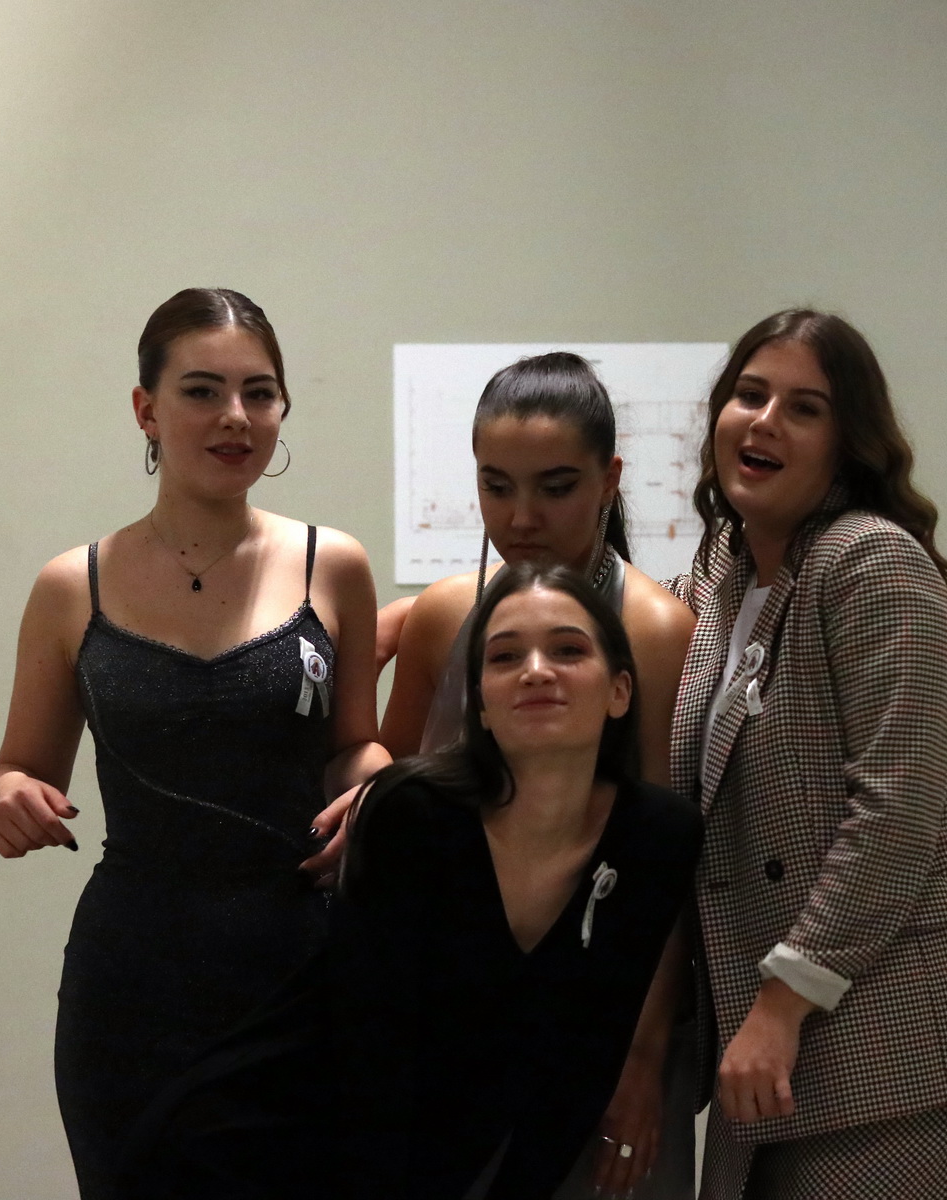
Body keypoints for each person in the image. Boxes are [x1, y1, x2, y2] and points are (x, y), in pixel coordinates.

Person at [0, 287, 388, 1198]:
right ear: (146, 410)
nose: (235, 416)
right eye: (202, 391)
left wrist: (378, 787)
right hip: (132, 982)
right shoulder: (71, 585)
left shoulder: (334, 565)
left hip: (298, 970)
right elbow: (17, 767)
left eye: (259, 393)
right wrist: (5, 796)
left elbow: (354, 743)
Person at [126, 563, 705, 1200]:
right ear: (480, 704)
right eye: (505, 656)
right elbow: (374, 1059)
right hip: (256, 1147)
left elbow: (582, 1064)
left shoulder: (658, 837)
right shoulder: (414, 812)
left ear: (621, 690)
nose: (537, 671)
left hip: (441, 1156)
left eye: (568, 650)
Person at [667, 310, 947, 1199]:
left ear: (847, 442)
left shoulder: (871, 563)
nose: (765, 422)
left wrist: (783, 1001)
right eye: (750, 395)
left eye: (805, 408)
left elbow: (898, 812)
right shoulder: (724, 570)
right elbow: (608, 622)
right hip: (778, 1033)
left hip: (878, 1036)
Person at [347, 352, 697, 1198]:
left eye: (556, 486)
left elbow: (663, 873)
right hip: (449, 1021)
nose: (522, 516)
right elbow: (388, 771)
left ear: (610, 480)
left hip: (602, 1008)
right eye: (496, 485)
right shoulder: (444, 614)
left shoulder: (654, 630)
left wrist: (644, 1059)